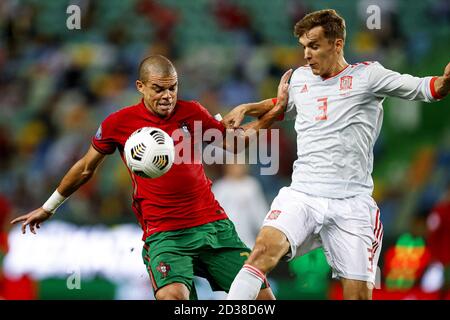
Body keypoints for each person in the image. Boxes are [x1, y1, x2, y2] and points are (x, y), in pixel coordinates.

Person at [10, 55, 292, 300]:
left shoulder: (190, 112)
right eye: (158, 89)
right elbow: (85, 168)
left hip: (212, 226)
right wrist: (49, 207)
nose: (167, 96)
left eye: (172, 88)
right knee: (173, 295)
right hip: (165, 235)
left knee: (262, 298)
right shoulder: (118, 123)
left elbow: (234, 143)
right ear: (140, 87)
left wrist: (271, 116)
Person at [225, 9, 450, 300]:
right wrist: (246, 108)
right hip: (303, 194)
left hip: (352, 204)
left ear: (337, 44)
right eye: (304, 46)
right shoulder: (301, 78)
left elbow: (422, 87)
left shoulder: (368, 76)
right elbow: (279, 103)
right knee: (261, 253)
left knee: (356, 296)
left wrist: (444, 82)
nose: (306, 54)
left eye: (314, 46)